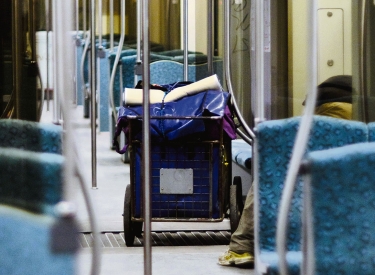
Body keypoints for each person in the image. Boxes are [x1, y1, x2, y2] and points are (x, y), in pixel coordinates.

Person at [218, 75, 353, 267]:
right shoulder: (359, 84)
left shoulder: (321, 104)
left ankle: (243, 247)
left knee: (272, 171)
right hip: (358, 115)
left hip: (325, 110)